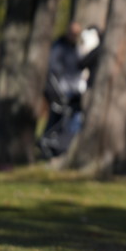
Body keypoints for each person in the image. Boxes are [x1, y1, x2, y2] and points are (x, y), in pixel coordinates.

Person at [39, 22, 88, 157]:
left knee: (70, 118)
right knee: (58, 117)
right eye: (72, 33)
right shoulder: (59, 46)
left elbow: (79, 64)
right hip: (61, 88)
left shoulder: (75, 48)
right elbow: (54, 67)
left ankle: (62, 146)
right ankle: (49, 144)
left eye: (76, 34)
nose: (74, 36)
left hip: (74, 89)